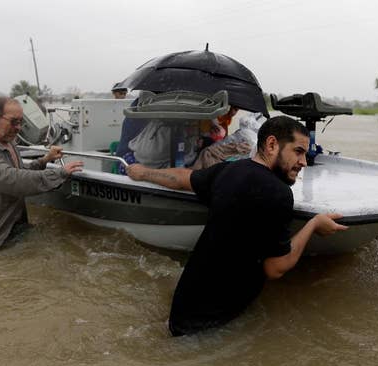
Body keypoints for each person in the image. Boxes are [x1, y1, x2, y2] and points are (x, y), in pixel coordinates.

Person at [127, 116, 348, 336]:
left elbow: (185, 178)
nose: (304, 162)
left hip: (183, 307)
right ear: (272, 145)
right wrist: (313, 224)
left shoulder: (229, 170)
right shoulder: (278, 194)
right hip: (210, 325)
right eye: (298, 151)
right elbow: (275, 268)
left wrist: (143, 173)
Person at [0, 97, 84, 252]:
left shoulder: (10, 142)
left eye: (21, 122)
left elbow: (20, 172)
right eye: (13, 122)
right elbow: (14, 181)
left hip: (13, 228)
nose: (18, 128)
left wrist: (45, 159)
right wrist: (59, 174)